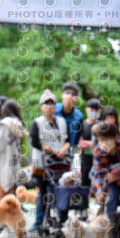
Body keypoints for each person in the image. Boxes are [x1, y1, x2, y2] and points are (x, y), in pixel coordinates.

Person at [30, 89, 70, 230]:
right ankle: (39, 222)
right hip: (42, 164)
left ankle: (61, 221)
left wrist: (62, 150)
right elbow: (34, 142)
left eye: (52, 104)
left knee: (60, 191)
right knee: (43, 192)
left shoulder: (61, 122)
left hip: (59, 164)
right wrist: (51, 150)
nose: (49, 107)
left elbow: (68, 140)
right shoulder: (37, 122)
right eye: (46, 104)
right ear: (41, 106)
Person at [0, 99, 24, 238]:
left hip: (4, 166)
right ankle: (10, 231)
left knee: (1, 202)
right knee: (11, 201)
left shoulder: (5, 124)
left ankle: (8, 231)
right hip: (14, 165)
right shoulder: (18, 124)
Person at [54, 82, 83, 149]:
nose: (70, 96)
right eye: (67, 93)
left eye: (73, 94)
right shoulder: (53, 110)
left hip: (69, 152)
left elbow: (78, 137)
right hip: (52, 150)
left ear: (76, 98)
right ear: (62, 95)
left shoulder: (78, 116)